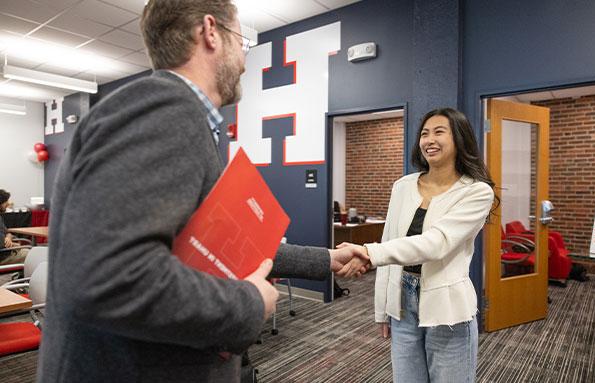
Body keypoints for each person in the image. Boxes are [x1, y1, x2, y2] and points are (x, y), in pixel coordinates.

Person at [36, 1, 365, 382]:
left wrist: (327, 258)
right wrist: (248, 304)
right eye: (242, 40)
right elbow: (109, 276)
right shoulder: (166, 107)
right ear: (210, 32)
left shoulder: (184, 118)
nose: (244, 59)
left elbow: (228, 244)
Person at [338, 108, 497, 383]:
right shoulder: (403, 185)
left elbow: (436, 243)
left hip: (447, 311)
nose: (429, 140)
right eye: (424, 133)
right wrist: (383, 310)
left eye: (439, 132)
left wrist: (368, 252)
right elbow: (391, 242)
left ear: (459, 139)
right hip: (403, 303)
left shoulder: (477, 191)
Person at [0, 189, 29, 265]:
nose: (8, 203)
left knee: (31, 251)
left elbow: (7, 232)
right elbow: (2, 245)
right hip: (4, 256)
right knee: (33, 256)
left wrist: (8, 237)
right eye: (6, 201)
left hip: (7, 251)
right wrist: (13, 245)